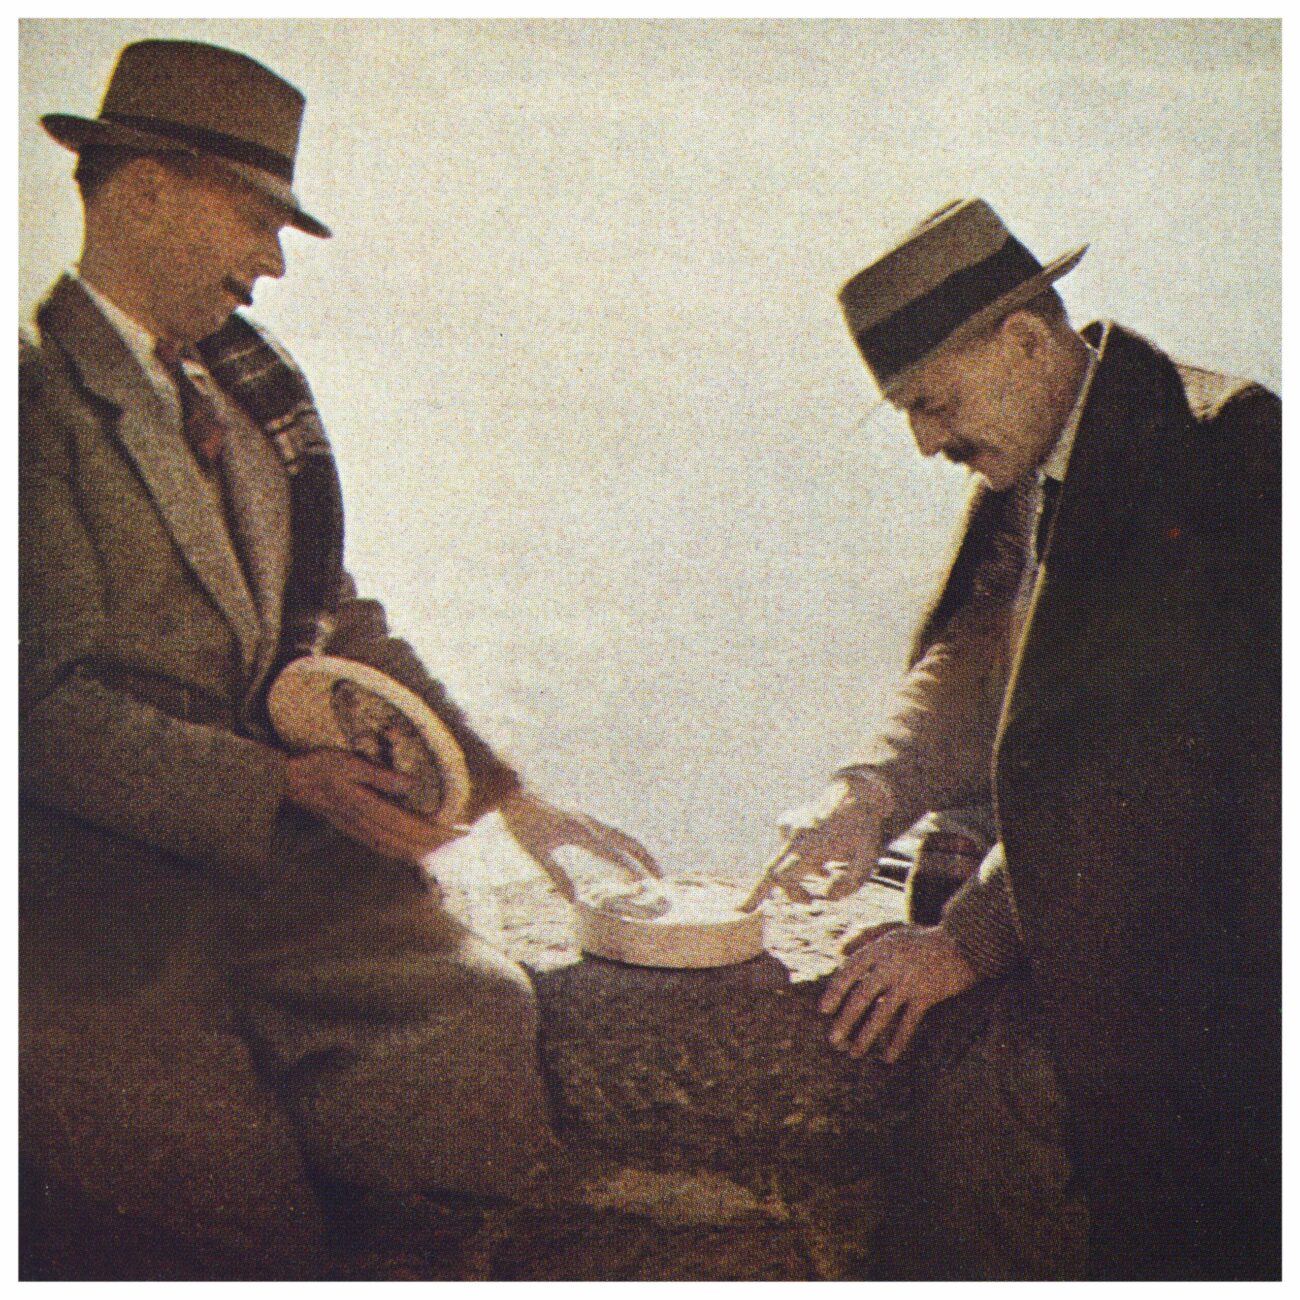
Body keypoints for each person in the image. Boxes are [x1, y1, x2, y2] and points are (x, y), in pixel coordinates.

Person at [19, 39, 660, 1280]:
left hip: (268, 882)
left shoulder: (250, 392)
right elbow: (35, 711)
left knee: (477, 1023)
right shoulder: (30, 401)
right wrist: (279, 786)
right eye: (254, 219)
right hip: (85, 911)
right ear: (143, 188)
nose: (268, 262)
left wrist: (506, 793)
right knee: (223, 1212)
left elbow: (336, 620)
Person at [773, 199, 1280, 1279]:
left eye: (933, 402)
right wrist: (868, 791)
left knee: (990, 1136)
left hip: (1209, 933)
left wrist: (966, 940)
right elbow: (979, 649)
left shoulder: (1216, 456)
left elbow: (1150, 770)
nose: (925, 442)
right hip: (1092, 892)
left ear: (1021, 340)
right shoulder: (1059, 444)